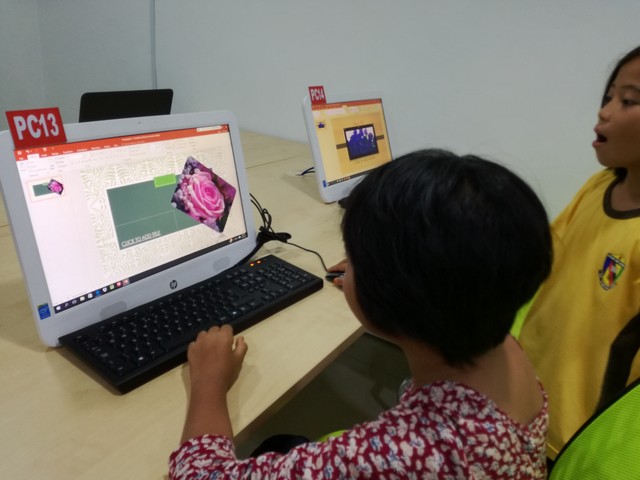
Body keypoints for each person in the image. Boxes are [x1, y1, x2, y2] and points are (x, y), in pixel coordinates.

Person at [169, 149, 552, 479]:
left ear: (391, 296)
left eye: (354, 258)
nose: (348, 265)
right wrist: (374, 279)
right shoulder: (497, 334)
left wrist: (208, 383)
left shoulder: (404, 454)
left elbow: (203, 475)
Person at [517, 45, 640, 461]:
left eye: (629, 101)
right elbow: (539, 257)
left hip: (576, 439)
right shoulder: (598, 186)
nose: (604, 111)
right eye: (609, 96)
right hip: (526, 397)